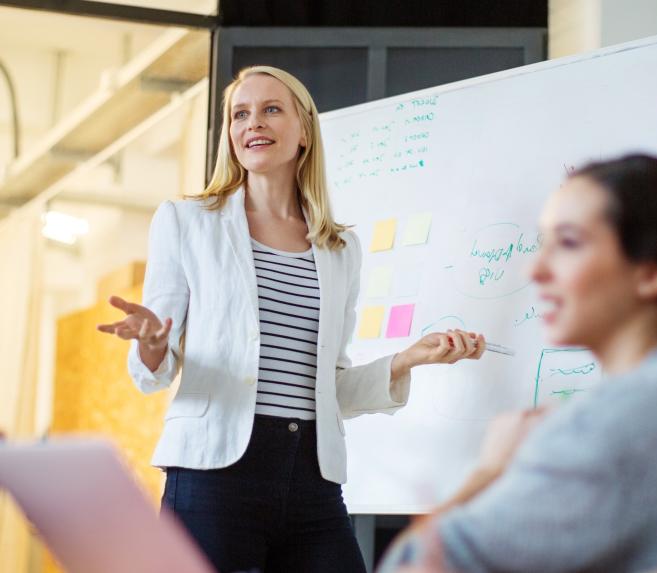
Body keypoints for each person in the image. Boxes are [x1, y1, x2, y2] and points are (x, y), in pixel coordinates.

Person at [97, 65, 486, 573]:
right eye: (240, 114)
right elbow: (157, 369)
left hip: (311, 475)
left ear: (304, 131)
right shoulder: (188, 222)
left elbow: (333, 388)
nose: (252, 123)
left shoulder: (339, 247)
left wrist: (406, 360)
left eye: (271, 109)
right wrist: (151, 342)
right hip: (215, 475)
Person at [379, 154, 657, 572]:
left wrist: (491, 470)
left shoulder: (618, 417)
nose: (535, 268)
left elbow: (407, 567)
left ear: (651, 274)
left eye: (569, 243)